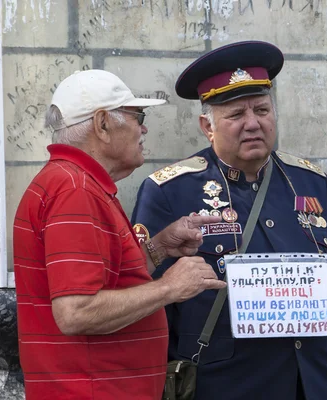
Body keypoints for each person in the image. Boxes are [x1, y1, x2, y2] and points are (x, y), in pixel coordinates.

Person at [131, 41, 327, 400]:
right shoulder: (169, 191)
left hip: (322, 383)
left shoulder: (310, 182)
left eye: (262, 110)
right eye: (235, 116)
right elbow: (149, 306)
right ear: (207, 126)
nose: (253, 124)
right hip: (227, 386)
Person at [13, 69, 226, 400]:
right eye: (137, 116)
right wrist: (169, 288)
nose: (143, 127)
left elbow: (104, 280)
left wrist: (159, 248)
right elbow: (77, 311)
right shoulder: (74, 189)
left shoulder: (74, 182)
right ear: (102, 124)